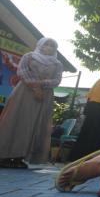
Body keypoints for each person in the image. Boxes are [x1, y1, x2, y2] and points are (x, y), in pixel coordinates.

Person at [0, 37, 63, 167]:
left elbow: (57, 80)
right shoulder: (29, 57)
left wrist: (40, 85)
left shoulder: (57, 64)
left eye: (53, 46)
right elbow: (21, 71)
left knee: (34, 125)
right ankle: (3, 155)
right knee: (15, 121)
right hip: (24, 93)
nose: (49, 48)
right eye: (47, 45)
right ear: (40, 45)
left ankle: (20, 157)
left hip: (43, 98)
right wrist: (35, 87)